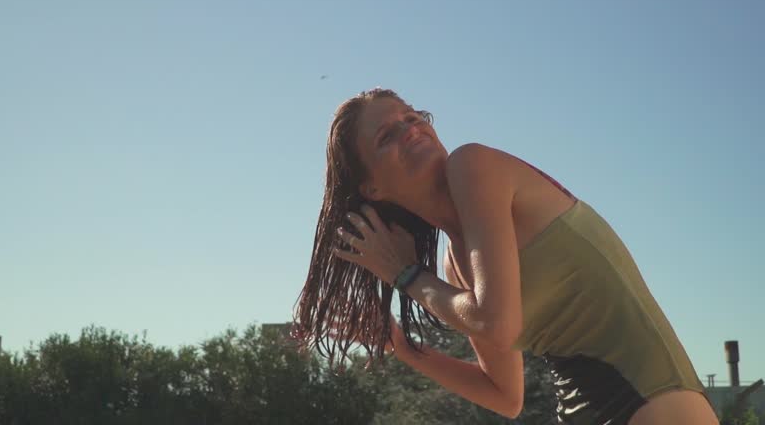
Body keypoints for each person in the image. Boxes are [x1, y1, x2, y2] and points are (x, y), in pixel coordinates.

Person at [293, 88, 718, 424]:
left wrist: (405, 274)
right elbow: (504, 396)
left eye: (413, 116)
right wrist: (403, 348)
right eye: (387, 135)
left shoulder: (473, 166)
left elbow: (496, 323)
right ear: (372, 188)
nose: (412, 128)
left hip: (653, 401)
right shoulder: (456, 267)